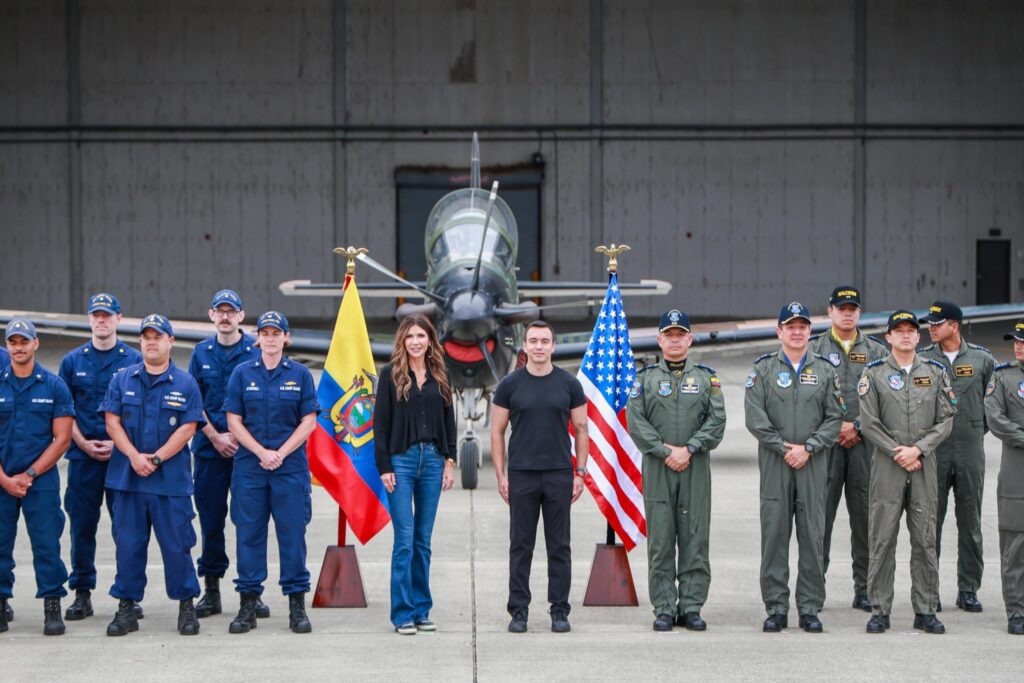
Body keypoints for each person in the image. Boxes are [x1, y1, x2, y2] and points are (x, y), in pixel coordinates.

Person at [100, 314, 206, 637]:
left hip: (169, 483)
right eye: (146, 336)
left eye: (157, 336)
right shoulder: (122, 379)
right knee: (128, 546)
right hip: (128, 480)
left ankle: (186, 605)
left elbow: (188, 427)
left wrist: (156, 459)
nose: (151, 342)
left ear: (170, 342)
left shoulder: (186, 383)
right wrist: (133, 456)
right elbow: (111, 421)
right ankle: (126, 607)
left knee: (177, 547)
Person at [744, 302, 844, 633]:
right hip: (776, 462)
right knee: (774, 535)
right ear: (779, 332)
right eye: (790, 326)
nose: (797, 331)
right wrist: (784, 448)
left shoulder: (827, 371)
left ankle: (810, 607)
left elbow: (834, 418)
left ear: (809, 331)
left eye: (802, 326)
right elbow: (755, 417)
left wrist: (810, 448)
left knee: (813, 535)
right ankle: (775, 607)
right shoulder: (763, 370)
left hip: (813, 463)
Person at [626, 309, 726, 632]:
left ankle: (692, 606)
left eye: (679, 334)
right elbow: (635, 421)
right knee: (661, 539)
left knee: (695, 535)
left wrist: (691, 448)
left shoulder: (707, 379)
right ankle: (665, 607)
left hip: (695, 466)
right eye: (668, 335)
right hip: (658, 467)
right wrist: (665, 451)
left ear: (689, 339)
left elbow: (717, 420)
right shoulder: (644, 381)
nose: (674, 340)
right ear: (659, 340)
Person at [859, 310, 956, 634]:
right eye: (897, 330)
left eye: (910, 331)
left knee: (925, 540)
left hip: (923, 465)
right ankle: (880, 610)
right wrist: (898, 452)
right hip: (888, 466)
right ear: (888, 337)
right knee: (882, 539)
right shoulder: (873, 374)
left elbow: (946, 419)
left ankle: (925, 609)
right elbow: (869, 423)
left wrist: (919, 449)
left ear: (918, 336)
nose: (904, 335)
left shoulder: (936, 372)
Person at [491, 320, 589, 634]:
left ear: (553, 346)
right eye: (533, 341)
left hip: (560, 474)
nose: (538, 347)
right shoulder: (509, 384)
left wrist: (581, 472)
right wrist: (500, 474)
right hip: (522, 475)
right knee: (521, 546)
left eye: (544, 341)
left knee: (559, 547)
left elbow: (582, 429)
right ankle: (518, 611)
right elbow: (496, 431)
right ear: (524, 345)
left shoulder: (569, 384)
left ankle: (560, 610)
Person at [223, 311, 318, 635]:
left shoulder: (301, 375)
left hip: (289, 469)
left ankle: (296, 605)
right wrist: (261, 452)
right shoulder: (241, 373)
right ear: (257, 337)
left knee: (292, 537)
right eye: (265, 333)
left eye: (277, 333)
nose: (271, 338)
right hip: (251, 468)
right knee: (249, 536)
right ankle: (248, 604)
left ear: (286, 338)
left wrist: (281, 452)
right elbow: (233, 420)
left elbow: (309, 421)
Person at [58, 293, 142, 622]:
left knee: (127, 528)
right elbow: (64, 412)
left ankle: (129, 595)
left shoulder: (133, 360)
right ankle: (82, 593)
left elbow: (139, 412)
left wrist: (117, 444)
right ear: (89, 319)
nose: (101, 320)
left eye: (107, 315)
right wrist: (82, 442)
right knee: (81, 527)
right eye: (96, 315)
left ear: (119, 319)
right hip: (82, 458)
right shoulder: (72, 361)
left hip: (121, 459)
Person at [375, 314, 457, 635]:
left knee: (423, 542)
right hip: (402, 463)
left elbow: (449, 421)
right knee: (405, 541)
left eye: (421, 335)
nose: (416, 341)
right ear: (402, 341)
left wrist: (449, 461)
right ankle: (402, 614)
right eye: (410, 336)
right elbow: (380, 425)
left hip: (433, 462)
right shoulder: (390, 375)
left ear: (430, 340)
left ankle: (422, 610)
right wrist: (384, 467)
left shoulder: (441, 375)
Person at [808, 286, 887, 612]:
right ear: (830, 312)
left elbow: (884, 396)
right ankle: (814, 589)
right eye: (842, 308)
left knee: (865, 518)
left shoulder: (876, 350)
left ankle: (864, 589)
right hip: (825, 446)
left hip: (863, 445)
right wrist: (834, 427)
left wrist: (855, 426)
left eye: (853, 308)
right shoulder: (813, 348)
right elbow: (808, 398)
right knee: (818, 519)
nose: (848, 313)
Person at [188, 289, 261, 620]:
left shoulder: (254, 351)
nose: (226, 316)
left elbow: (261, 401)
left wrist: (239, 437)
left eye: (232, 311)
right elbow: (193, 402)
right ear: (211, 314)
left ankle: (251, 592)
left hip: (246, 453)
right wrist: (215, 436)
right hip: (208, 451)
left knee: (249, 523)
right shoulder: (200, 353)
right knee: (211, 522)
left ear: (242, 316)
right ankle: (212, 590)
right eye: (220, 311)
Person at [0, 319, 74, 635]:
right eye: (13, 342)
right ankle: (1, 601)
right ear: (7, 346)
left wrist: (29, 474)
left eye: (24, 341)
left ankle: (52, 604)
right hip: (1, 479)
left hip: (40, 480)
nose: (19, 347)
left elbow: (62, 439)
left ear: (36, 343)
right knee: (0, 544)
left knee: (46, 543)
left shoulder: (54, 385)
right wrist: (4, 479)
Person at [920, 300, 995, 612]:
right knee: (929, 524)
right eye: (930, 323)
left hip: (969, 449)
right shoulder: (923, 360)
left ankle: (968, 589)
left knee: (970, 522)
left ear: (955, 325)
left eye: (938, 323)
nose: (931, 328)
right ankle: (930, 590)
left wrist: (974, 429)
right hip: (935, 451)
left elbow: (993, 405)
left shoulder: (981, 359)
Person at [983, 319, 1024, 635]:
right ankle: (1017, 612)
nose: (1019, 345)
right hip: (1016, 476)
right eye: (1016, 341)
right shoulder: (1003, 377)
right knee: (1015, 546)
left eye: (1023, 341)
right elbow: (995, 418)